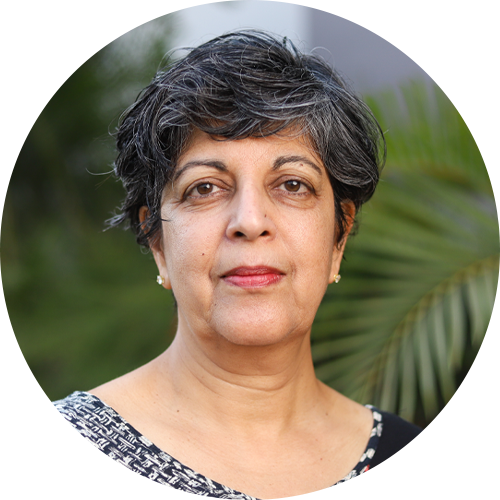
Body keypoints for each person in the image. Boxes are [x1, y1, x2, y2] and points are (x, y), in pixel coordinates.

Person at [52, 29, 435, 499]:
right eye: (205, 188)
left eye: (292, 185)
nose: (250, 222)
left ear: (338, 238)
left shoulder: (416, 469)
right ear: (157, 242)